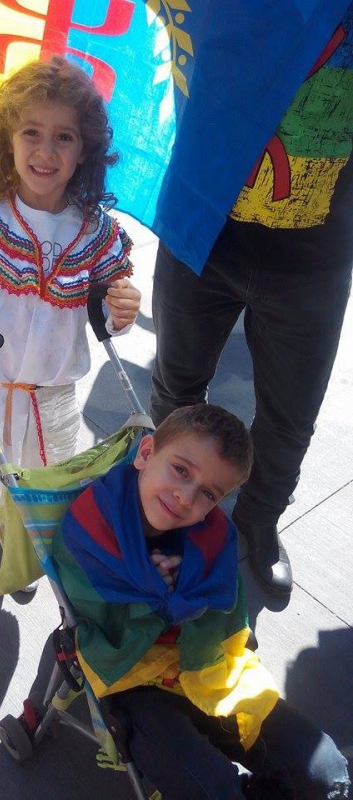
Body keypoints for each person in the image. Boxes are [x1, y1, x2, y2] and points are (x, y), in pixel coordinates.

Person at [149, 4, 353, 596]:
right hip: (203, 227)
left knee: (290, 416)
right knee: (177, 387)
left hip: (314, 258)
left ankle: (258, 521)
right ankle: (166, 505)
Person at [0, 56, 141, 618]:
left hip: (54, 401)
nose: (46, 152)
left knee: (44, 495)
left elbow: (105, 318)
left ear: (85, 150)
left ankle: (20, 556)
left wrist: (121, 310)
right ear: (8, 139)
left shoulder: (96, 235)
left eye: (63, 137)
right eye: (31, 133)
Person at [53, 404, 350, 799]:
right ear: (146, 453)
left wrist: (180, 592)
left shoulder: (213, 536)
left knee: (325, 772)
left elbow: (226, 609)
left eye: (208, 493)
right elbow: (99, 622)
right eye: (180, 469)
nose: (185, 496)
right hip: (134, 680)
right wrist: (164, 599)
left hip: (209, 662)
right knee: (213, 789)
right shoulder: (91, 526)